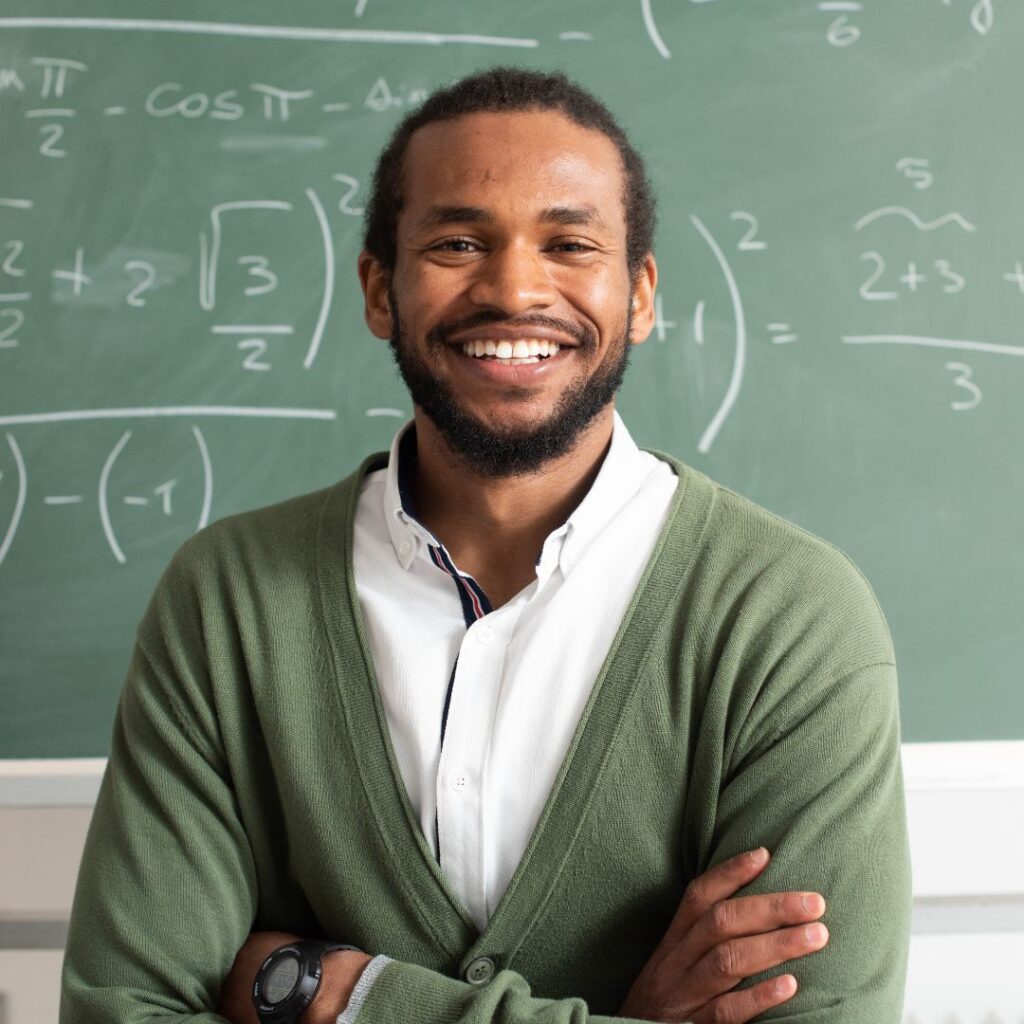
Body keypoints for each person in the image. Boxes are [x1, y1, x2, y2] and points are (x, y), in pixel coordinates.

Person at [60, 67, 911, 1024]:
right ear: (381, 291)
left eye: (569, 242)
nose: (513, 287)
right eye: (459, 241)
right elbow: (121, 1010)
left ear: (639, 296)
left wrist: (345, 997)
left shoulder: (791, 618)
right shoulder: (227, 600)